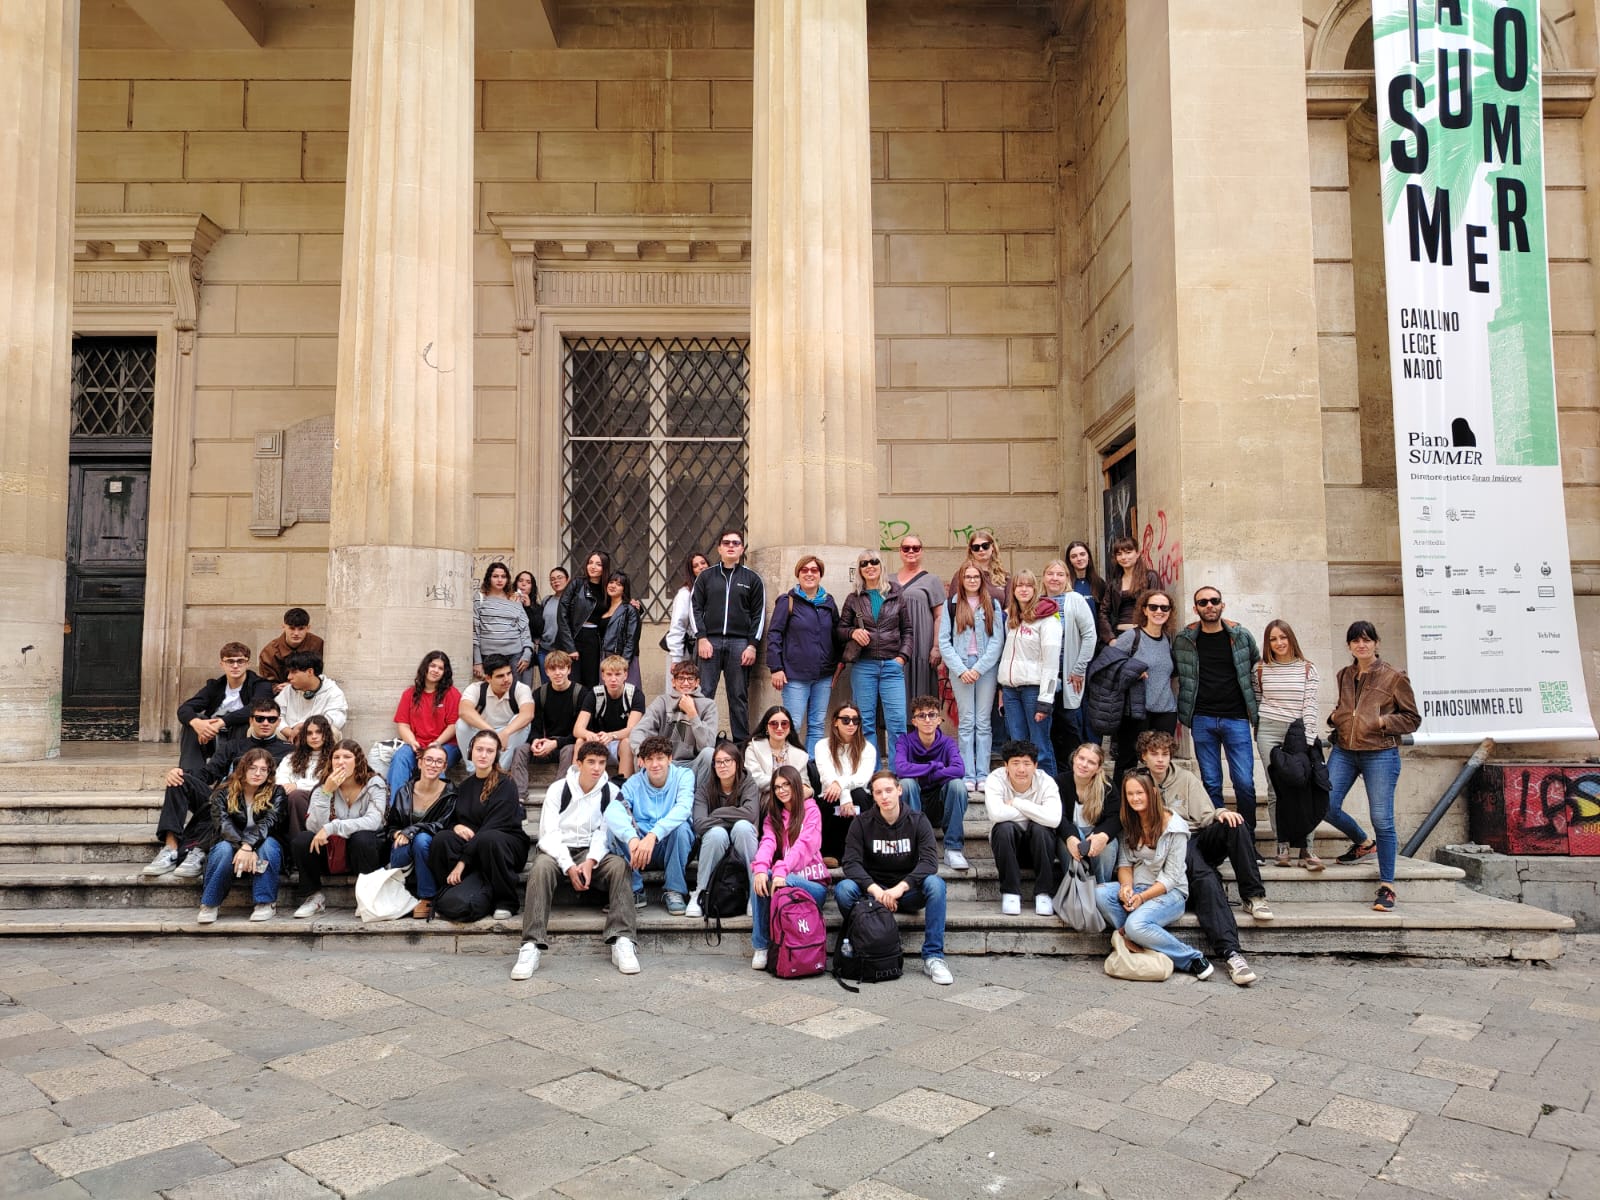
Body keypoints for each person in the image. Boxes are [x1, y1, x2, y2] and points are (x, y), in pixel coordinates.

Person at [1140, 730, 1263, 985]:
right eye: (1154, 754)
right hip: (1168, 845)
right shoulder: (1137, 782)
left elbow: (1206, 815)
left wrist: (1221, 814)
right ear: (1144, 756)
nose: (1160, 759)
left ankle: (1253, 896)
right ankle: (1231, 954)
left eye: (1165, 754)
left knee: (1235, 823)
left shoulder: (1185, 778)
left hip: (1196, 839)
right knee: (1205, 878)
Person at [513, 741, 640, 978]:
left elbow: (604, 833)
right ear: (579, 763)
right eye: (591, 762)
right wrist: (569, 866)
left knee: (619, 866)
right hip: (557, 850)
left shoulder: (610, 791)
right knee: (540, 868)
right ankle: (531, 944)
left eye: (601, 763)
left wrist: (591, 861)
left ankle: (622, 938)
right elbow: (549, 835)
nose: (597, 768)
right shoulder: (558, 789)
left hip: (591, 851)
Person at [1322, 621, 1420, 912]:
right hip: (1344, 750)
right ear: (1349, 646)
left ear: (1376, 643)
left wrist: (1381, 721)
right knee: (1324, 804)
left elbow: (1412, 719)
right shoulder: (1344, 675)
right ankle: (1363, 843)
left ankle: (1387, 886)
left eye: (1366, 640)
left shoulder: (1394, 677)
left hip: (1380, 753)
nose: (1361, 645)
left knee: (1382, 818)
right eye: (1355, 641)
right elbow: (1346, 709)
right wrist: (1336, 718)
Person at [145, 696, 289, 879]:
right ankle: (170, 849)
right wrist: (181, 773)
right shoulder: (233, 746)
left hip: (258, 807)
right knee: (179, 780)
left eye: (271, 719)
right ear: (251, 720)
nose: (265, 723)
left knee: (221, 806)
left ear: (278, 722)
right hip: (223, 797)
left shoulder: (288, 750)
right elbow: (208, 774)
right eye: (260, 718)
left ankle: (199, 850)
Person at [838, 771, 953, 986]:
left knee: (936, 885)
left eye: (889, 790)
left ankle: (933, 956)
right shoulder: (861, 823)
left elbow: (930, 862)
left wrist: (900, 888)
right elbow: (851, 863)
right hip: (873, 894)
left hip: (907, 892)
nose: (884, 796)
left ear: (899, 790)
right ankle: (869, 940)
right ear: (873, 796)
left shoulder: (918, 820)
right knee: (844, 889)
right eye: (878, 792)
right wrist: (876, 890)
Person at [1093, 769, 1211, 978]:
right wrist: (1126, 887)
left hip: (1170, 893)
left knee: (1136, 925)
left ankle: (1192, 958)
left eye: (1140, 793)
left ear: (1153, 793)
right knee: (1099, 893)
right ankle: (1133, 937)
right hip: (1139, 886)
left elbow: (1171, 877)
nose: (1135, 798)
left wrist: (1142, 897)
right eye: (1130, 794)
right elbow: (1125, 864)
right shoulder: (1129, 822)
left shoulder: (1175, 827)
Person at [1174, 587, 1263, 836]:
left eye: (1214, 601)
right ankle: (1219, 838)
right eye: (1203, 602)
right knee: (1211, 783)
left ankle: (1247, 838)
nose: (1209, 605)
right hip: (1202, 718)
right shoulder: (1184, 640)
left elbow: (1256, 665)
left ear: (1222, 605)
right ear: (1196, 609)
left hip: (1236, 718)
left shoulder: (1241, 636)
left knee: (1244, 782)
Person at [429, 729, 531, 921]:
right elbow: (453, 818)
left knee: (488, 838)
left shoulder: (506, 783)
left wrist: (462, 862)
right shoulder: (465, 786)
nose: (483, 755)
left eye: (489, 751)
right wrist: (455, 827)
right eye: (479, 749)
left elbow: (492, 826)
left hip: (505, 846)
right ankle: (451, 891)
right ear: (471, 752)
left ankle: (506, 901)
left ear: (496, 755)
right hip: (476, 844)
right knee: (442, 839)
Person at [290, 739, 387, 919]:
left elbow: (375, 822)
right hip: (332, 854)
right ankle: (314, 896)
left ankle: (367, 896)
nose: (341, 762)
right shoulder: (323, 786)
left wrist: (333, 827)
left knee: (363, 837)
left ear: (358, 760)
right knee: (303, 840)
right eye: (336, 757)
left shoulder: (375, 783)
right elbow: (313, 827)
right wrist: (326, 792)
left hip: (363, 854)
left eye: (347, 757)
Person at [1254, 619, 1324, 867]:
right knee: (1275, 789)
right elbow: (1258, 699)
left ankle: (1307, 848)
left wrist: (1308, 739)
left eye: (1283, 637)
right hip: (1269, 731)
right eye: (1273, 639)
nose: (1279, 643)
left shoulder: (1307, 669)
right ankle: (1281, 845)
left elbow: (1311, 705)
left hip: (1298, 732)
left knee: (1305, 787)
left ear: (1291, 638)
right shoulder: (1260, 669)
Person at [750, 764, 829, 971]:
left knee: (783, 878)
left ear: (795, 785)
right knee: (760, 876)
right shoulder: (773, 817)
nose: (782, 790)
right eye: (777, 787)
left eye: (786, 784)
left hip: (813, 887)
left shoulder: (811, 811)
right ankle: (761, 946)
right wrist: (760, 868)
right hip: (784, 882)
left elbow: (804, 846)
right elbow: (767, 843)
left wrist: (781, 870)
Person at [692, 527, 766, 743]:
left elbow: (759, 614)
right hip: (710, 642)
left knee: (738, 696)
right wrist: (701, 637)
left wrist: (752, 645)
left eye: (736, 543)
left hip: (739, 644)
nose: (731, 546)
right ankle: (701, 743)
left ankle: (741, 745)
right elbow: (694, 608)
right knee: (704, 694)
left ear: (742, 549)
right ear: (719, 549)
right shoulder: (706, 576)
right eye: (726, 543)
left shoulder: (752, 578)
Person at [938, 559, 1005, 793]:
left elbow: (997, 641)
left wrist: (979, 669)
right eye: (968, 577)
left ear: (982, 579)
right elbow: (944, 641)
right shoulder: (952, 605)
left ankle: (983, 774)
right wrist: (961, 669)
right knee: (967, 722)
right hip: (961, 667)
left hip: (985, 668)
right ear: (962, 580)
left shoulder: (992, 604)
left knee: (983, 722)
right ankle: (968, 773)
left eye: (976, 577)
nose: (972, 580)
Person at [608, 735, 695, 914]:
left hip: (670, 846)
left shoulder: (684, 776)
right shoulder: (633, 783)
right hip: (638, 851)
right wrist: (632, 838)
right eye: (650, 759)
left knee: (682, 828)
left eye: (660, 758)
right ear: (642, 762)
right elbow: (613, 810)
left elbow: (684, 808)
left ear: (670, 759)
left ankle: (674, 890)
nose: (655, 764)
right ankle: (634, 889)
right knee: (614, 828)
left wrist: (654, 834)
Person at [197, 748, 286, 925]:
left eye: (263, 769)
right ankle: (210, 903)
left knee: (268, 845)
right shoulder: (223, 793)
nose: (258, 773)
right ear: (243, 769)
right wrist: (244, 848)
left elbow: (269, 823)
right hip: (231, 846)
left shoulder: (277, 792)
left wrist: (248, 847)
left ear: (269, 773)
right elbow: (223, 826)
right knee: (223, 848)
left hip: (263, 846)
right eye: (253, 768)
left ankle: (265, 902)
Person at [765, 554, 840, 755]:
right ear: (798, 574)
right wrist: (776, 668)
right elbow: (774, 635)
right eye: (804, 570)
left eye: (814, 570)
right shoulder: (787, 601)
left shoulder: (828, 602)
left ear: (820, 574)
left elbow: (836, 635)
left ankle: (811, 765)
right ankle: (789, 765)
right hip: (795, 675)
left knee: (817, 725)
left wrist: (837, 665)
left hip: (823, 675)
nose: (809, 574)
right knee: (793, 724)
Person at [838, 549, 911, 757]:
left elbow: (907, 630)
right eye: (864, 563)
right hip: (864, 666)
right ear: (859, 570)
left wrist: (902, 658)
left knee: (897, 722)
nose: (869, 566)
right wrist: (853, 632)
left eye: (874, 562)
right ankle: (871, 769)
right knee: (865, 722)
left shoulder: (896, 594)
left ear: (881, 566)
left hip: (892, 665)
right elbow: (840, 630)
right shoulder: (854, 598)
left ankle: (899, 770)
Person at [983, 740, 1062, 916]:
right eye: (1015, 763)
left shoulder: (1046, 782)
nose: (1021, 769)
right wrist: (1037, 812)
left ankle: (1044, 893)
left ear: (1035, 766)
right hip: (1008, 849)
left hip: (1041, 849)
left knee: (1041, 829)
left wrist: (1018, 803)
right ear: (1006, 765)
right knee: (1004, 828)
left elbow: (1054, 819)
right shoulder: (995, 779)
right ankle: (1010, 893)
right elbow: (996, 814)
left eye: (1027, 763)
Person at [1109, 590, 1178, 789]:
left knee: (1160, 763)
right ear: (1144, 610)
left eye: (1164, 607)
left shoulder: (1168, 639)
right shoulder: (1132, 637)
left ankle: (1158, 804)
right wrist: (1131, 671)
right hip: (1136, 710)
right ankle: (1121, 804)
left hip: (1165, 710)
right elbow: (1109, 665)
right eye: (1153, 607)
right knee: (1127, 762)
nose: (1159, 611)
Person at [995, 569, 1062, 775]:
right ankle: (1023, 787)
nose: (1023, 590)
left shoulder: (1048, 619)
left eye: (1028, 585)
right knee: (1018, 746)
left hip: (1034, 690)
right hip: (1011, 690)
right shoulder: (1011, 618)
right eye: (1019, 585)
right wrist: (1001, 689)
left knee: (1039, 746)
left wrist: (1046, 700)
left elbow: (1051, 663)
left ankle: (1049, 789)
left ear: (1035, 589)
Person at [892, 694, 970, 870]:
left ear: (939, 719)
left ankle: (953, 849)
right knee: (906, 784)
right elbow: (901, 769)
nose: (927, 720)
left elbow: (959, 769)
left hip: (940, 806)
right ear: (914, 721)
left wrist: (927, 776)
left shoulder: (948, 743)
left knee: (957, 785)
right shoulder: (905, 741)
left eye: (932, 715)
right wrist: (934, 766)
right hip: (913, 802)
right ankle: (915, 846)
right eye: (922, 715)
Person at [687, 742, 760, 919]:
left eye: (728, 760)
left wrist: (717, 814)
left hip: (742, 843)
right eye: (718, 762)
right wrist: (732, 818)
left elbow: (750, 814)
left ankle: (754, 895)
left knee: (743, 827)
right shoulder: (704, 790)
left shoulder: (748, 785)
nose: (723, 765)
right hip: (715, 846)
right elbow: (700, 824)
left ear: (737, 763)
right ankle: (700, 893)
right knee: (716, 834)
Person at [386, 743, 456, 919]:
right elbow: (391, 827)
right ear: (420, 763)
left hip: (430, 851)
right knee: (401, 843)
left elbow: (442, 825)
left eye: (438, 761)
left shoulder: (450, 794)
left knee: (421, 839)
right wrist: (397, 834)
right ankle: (401, 892)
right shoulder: (404, 791)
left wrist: (411, 830)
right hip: (405, 852)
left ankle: (427, 897)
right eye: (429, 760)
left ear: (444, 767)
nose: (433, 765)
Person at [1041, 559, 1099, 770]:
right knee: (1048, 728)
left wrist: (1078, 669)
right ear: (1044, 577)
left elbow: (1089, 635)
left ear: (1067, 578)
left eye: (1060, 574)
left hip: (1068, 675)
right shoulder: (1039, 601)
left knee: (1070, 726)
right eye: (1050, 574)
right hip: (1044, 677)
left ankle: (1074, 773)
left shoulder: (1075, 599)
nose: (1055, 578)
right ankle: (1054, 775)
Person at [176, 642, 271, 771]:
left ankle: (235, 773)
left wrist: (221, 722)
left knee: (245, 721)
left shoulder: (261, 685)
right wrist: (198, 724)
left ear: (248, 664)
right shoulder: (215, 686)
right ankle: (191, 775)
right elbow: (184, 709)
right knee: (193, 721)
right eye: (230, 661)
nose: (235, 666)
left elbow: (256, 709)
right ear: (222, 664)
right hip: (211, 736)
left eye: (240, 661)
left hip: (242, 737)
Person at [629, 659, 719, 789]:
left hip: (692, 765)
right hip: (664, 762)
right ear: (673, 682)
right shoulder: (662, 701)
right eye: (681, 678)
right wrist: (640, 752)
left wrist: (692, 714)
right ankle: (647, 795)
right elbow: (639, 730)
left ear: (697, 682)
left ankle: (698, 797)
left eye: (690, 679)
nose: (686, 683)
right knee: (641, 754)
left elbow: (708, 744)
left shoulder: (708, 705)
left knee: (709, 754)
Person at [387, 650, 461, 799]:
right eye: (433, 666)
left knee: (435, 760)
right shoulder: (410, 694)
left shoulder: (452, 693)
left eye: (440, 668)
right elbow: (403, 724)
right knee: (400, 758)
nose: (436, 670)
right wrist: (412, 742)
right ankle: (398, 806)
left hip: (446, 744)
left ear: (445, 672)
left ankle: (434, 807)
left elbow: (453, 725)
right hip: (417, 744)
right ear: (425, 667)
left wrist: (436, 744)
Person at [813, 702, 876, 864]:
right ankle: (830, 852)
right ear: (835, 721)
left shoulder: (868, 748)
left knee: (859, 794)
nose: (851, 724)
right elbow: (827, 776)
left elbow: (863, 778)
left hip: (858, 797)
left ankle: (860, 853)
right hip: (831, 796)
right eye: (846, 720)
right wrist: (844, 796)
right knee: (830, 796)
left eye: (855, 720)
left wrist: (842, 788)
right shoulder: (822, 746)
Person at [455, 655, 535, 772]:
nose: (507, 679)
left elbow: (528, 714)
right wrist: (491, 732)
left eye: (509, 673)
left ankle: (498, 772)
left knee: (523, 722)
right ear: (488, 678)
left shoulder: (521, 689)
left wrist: (506, 732)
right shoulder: (476, 688)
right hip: (483, 732)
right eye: (500, 676)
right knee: (461, 724)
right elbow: (464, 711)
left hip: (508, 734)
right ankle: (474, 771)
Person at [569, 654, 644, 776]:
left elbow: (632, 730)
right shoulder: (594, 693)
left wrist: (611, 736)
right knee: (580, 741)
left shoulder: (635, 694)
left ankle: (623, 783)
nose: (613, 679)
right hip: (598, 741)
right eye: (609, 674)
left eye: (618, 674)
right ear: (603, 675)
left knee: (627, 742)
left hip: (619, 743)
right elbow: (577, 729)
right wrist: (589, 734)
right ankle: (575, 781)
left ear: (625, 675)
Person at [514, 649, 581, 783]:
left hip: (568, 744)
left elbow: (581, 733)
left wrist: (556, 743)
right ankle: (519, 792)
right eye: (552, 669)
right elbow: (534, 726)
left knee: (569, 750)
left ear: (569, 670)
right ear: (546, 672)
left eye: (561, 668)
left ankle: (560, 791)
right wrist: (535, 741)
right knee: (521, 750)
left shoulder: (581, 694)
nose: (557, 673)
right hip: (545, 743)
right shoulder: (540, 693)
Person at [895, 534, 947, 705]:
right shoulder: (888, 580)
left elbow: (940, 616)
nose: (911, 551)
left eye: (915, 548)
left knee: (922, 692)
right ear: (900, 551)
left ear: (921, 551)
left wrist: (936, 647)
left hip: (922, 646)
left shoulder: (932, 580)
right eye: (906, 548)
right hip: (895, 646)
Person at [1061, 742, 1119, 884]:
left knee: (1108, 846)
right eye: (1081, 758)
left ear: (1098, 768)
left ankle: (1101, 888)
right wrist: (1070, 836)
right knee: (1065, 844)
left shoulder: (1107, 786)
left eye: (1091, 762)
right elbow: (1058, 816)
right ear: (1074, 758)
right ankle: (1074, 887)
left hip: (1096, 833)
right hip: (1069, 834)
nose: (1084, 765)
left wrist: (1103, 835)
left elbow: (1116, 816)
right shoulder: (1060, 782)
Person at [556, 549, 611, 688]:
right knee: (572, 682)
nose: (593, 567)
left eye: (598, 564)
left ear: (604, 568)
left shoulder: (607, 588)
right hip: (575, 636)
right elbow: (562, 613)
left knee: (591, 682)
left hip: (594, 639)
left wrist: (636, 607)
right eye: (590, 563)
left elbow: (620, 605)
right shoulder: (577, 583)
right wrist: (569, 646)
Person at [473, 561, 534, 685]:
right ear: (489, 578)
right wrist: (477, 661)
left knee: (515, 692)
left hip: (515, 655)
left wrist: (527, 652)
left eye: (503, 576)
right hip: (489, 656)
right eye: (495, 576)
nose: (500, 580)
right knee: (493, 692)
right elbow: (475, 630)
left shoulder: (514, 599)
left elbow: (524, 628)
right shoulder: (480, 598)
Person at [276, 713, 337, 836]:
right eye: (309, 733)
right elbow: (280, 777)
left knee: (297, 796)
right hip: (292, 801)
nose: (314, 737)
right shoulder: (291, 757)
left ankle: (301, 839)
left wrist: (297, 785)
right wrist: (286, 786)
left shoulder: (335, 757)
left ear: (326, 734)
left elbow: (328, 782)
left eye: (318, 732)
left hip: (325, 800)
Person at [276, 651, 348, 741]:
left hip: (316, 735)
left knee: (333, 731)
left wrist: (305, 727)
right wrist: (290, 733)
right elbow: (276, 714)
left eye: (294, 672)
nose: (289, 677)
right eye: (289, 672)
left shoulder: (333, 692)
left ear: (310, 672)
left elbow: (336, 721)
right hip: (289, 735)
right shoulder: (287, 690)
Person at [665, 552, 709, 691]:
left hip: (703, 650)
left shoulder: (712, 591)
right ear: (691, 571)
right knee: (679, 691)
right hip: (685, 650)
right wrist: (676, 658)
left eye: (703, 563)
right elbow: (678, 625)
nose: (701, 567)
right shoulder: (685, 594)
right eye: (696, 566)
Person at [1101, 536, 1161, 635]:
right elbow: (1103, 612)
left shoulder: (1150, 577)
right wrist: (1110, 638)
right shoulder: (1114, 583)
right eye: (1119, 554)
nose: (1124, 557)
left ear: (1137, 554)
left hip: (1144, 634)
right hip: (1119, 634)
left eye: (1128, 552)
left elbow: (1158, 606)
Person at [744, 704, 810, 794]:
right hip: (763, 797)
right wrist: (788, 783)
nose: (779, 728)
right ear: (766, 727)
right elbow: (756, 780)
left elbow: (804, 783)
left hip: (791, 798)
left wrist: (808, 791)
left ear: (790, 727)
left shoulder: (800, 754)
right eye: (774, 724)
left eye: (784, 724)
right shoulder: (753, 748)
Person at [258, 607, 324, 694]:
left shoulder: (317, 644)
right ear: (283, 627)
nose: (296, 633)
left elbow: (322, 674)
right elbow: (266, 683)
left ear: (308, 628)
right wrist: (276, 687)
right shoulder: (269, 652)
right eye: (292, 628)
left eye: (301, 629)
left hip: (313, 692)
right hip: (282, 695)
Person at [597, 570, 643, 689]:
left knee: (627, 694)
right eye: (611, 582)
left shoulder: (629, 609)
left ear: (624, 589)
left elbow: (631, 640)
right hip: (604, 659)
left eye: (618, 584)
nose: (613, 586)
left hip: (623, 659)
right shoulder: (603, 608)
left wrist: (622, 664)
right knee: (606, 694)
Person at [1064, 540, 1113, 645]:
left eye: (1082, 554)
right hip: (1071, 641)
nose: (1079, 559)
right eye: (1074, 556)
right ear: (1069, 561)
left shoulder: (1099, 583)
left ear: (1088, 557)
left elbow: (1104, 614)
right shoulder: (1065, 584)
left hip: (1095, 641)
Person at [950, 527, 1008, 604]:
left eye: (985, 546)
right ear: (971, 551)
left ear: (992, 547)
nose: (981, 549)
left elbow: (1010, 606)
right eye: (976, 547)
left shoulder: (1004, 576)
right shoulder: (961, 575)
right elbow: (953, 603)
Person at [512, 570, 546, 688]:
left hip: (527, 653)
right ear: (516, 584)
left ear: (532, 587)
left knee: (525, 689)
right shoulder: (506, 602)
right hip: (508, 652)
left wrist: (528, 607)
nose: (523, 584)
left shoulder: (537, 608)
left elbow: (538, 631)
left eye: (528, 582)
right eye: (521, 581)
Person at [540, 567, 568, 685]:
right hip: (545, 649)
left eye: (559, 578)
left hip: (565, 651)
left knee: (563, 684)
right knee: (546, 684)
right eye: (552, 579)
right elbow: (539, 622)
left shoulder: (574, 601)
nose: (556, 581)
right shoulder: (547, 600)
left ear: (567, 579)